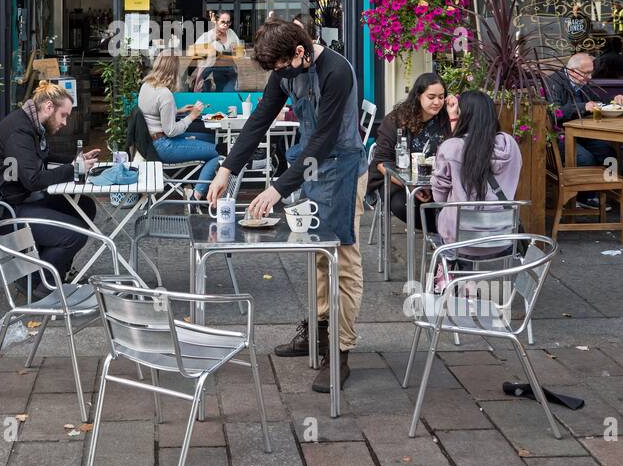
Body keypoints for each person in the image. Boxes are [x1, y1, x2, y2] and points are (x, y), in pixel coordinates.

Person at [207, 21, 365, 393]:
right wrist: (226, 169)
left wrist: (277, 189)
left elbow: (325, 139)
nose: (279, 75)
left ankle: (340, 353)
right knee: (316, 256)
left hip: (341, 167)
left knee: (342, 259)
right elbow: (260, 119)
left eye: (281, 67)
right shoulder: (285, 69)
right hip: (311, 170)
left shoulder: (337, 72)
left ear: (300, 52)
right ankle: (319, 332)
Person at [0, 81, 100, 299]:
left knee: (85, 205)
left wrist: (75, 160)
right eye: (63, 115)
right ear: (48, 107)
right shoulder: (19, 131)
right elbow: (34, 179)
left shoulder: (30, 125)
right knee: (75, 234)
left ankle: (52, 271)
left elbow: (42, 159)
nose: (65, 122)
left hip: (17, 199)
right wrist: (73, 169)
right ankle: (39, 283)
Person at [431, 90, 523, 244]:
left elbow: (439, 198)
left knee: (436, 213)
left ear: (463, 115)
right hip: (503, 238)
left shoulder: (451, 148)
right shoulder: (510, 144)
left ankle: (446, 263)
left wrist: (453, 118)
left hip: (460, 241)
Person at [367, 73, 452, 231]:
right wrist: (412, 187)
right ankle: (441, 231)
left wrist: (453, 114)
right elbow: (381, 163)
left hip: (437, 181)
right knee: (403, 204)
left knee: (451, 200)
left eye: (441, 97)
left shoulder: (446, 119)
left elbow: (458, 146)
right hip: (398, 181)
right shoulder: (396, 120)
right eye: (431, 97)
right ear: (419, 96)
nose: (437, 102)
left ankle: (445, 231)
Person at [546, 52, 623, 209]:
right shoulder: (553, 83)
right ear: (572, 71)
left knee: (608, 153)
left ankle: (608, 192)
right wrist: (583, 107)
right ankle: (584, 197)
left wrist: (616, 99)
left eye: (591, 72)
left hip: (581, 133)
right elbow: (554, 113)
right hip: (560, 136)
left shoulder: (582, 81)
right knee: (586, 159)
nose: (589, 77)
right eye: (586, 73)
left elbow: (600, 100)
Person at [138, 51, 222, 196]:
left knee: (209, 139)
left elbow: (153, 113)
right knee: (217, 152)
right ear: (173, 70)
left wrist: (177, 111)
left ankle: (195, 184)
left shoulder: (146, 86)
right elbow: (171, 131)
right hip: (164, 146)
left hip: (150, 144)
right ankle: (196, 196)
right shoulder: (165, 94)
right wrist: (192, 115)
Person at [191, 11, 242, 92]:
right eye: (223, 22)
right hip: (209, 71)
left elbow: (241, 53)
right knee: (208, 96)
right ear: (216, 22)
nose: (226, 25)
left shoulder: (231, 34)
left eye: (228, 22)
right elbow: (194, 53)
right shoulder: (208, 35)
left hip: (228, 71)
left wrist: (236, 50)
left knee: (227, 95)